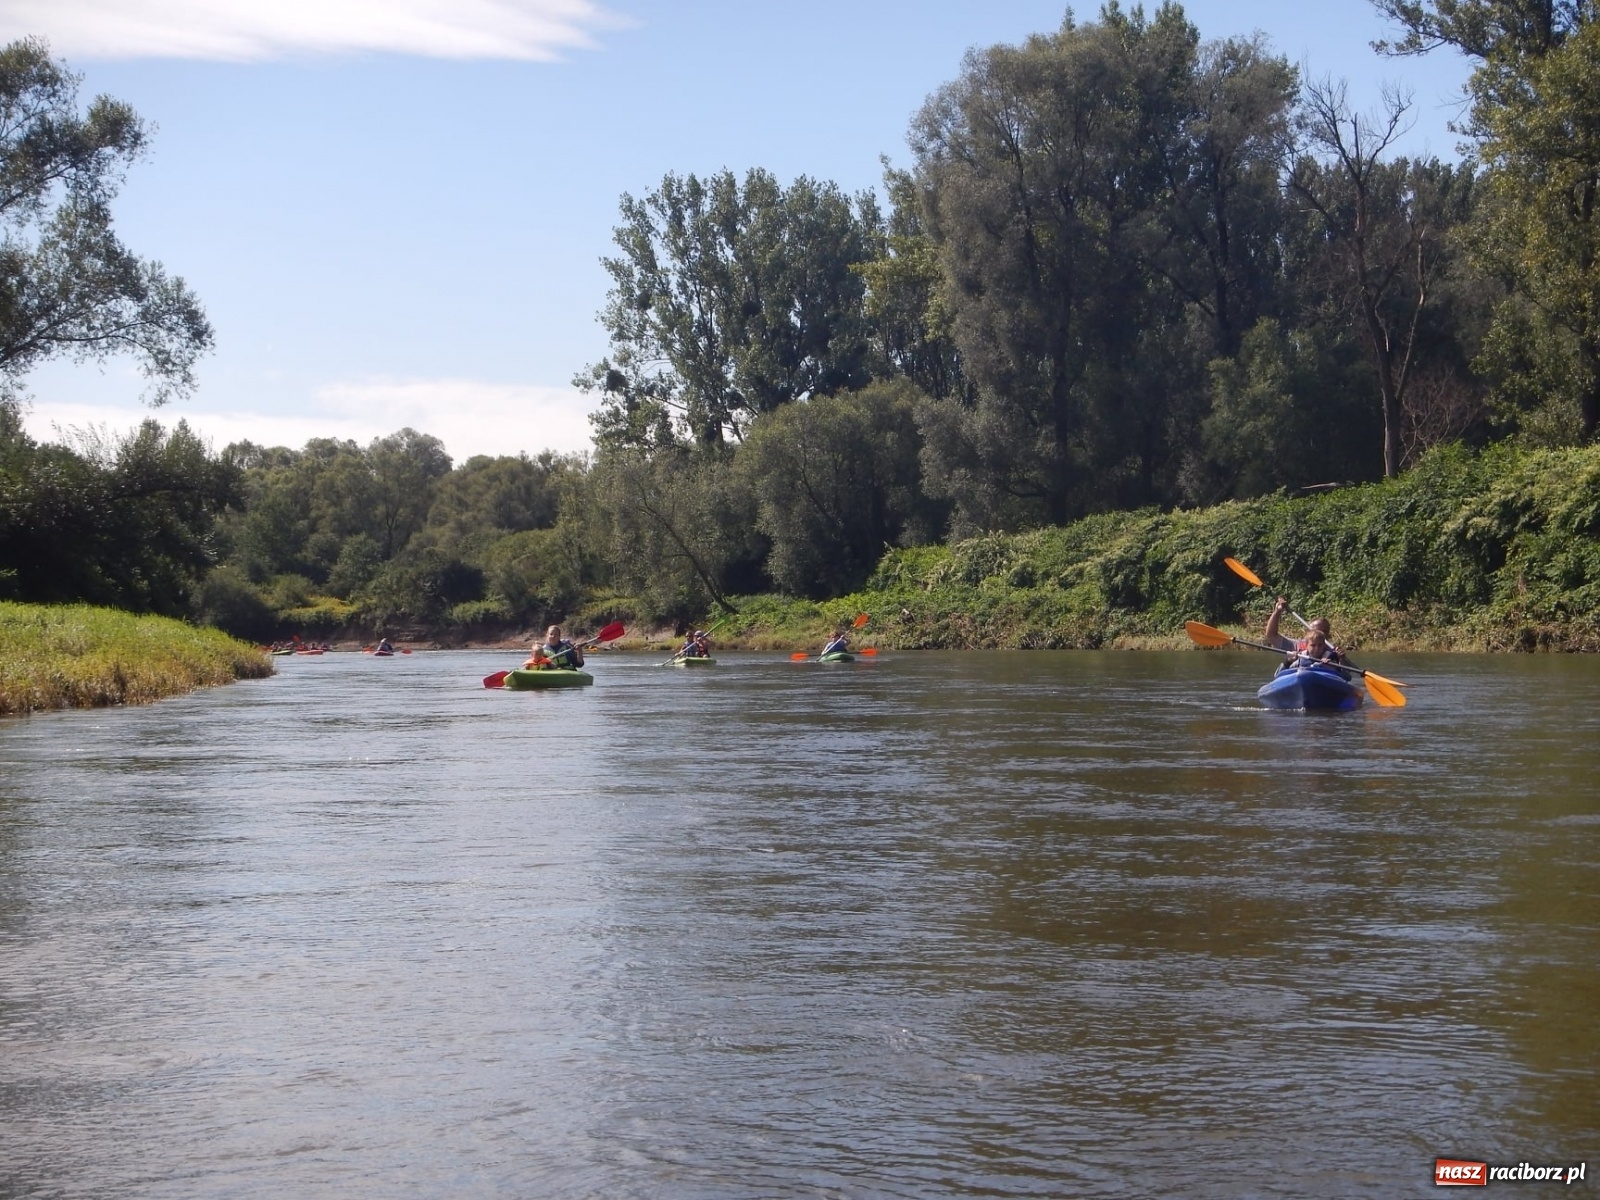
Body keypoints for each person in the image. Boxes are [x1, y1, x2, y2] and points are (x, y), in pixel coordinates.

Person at [1266, 598, 1348, 674]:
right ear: (1308, 632)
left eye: (1324, 631)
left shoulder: (1334, 653)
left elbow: (1346, 676)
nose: (1319, 634)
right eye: (1316, 630)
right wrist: (1277, 612)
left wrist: (1341, 659)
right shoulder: (1297, 646)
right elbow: (1271, 635)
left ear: (1328, 634)